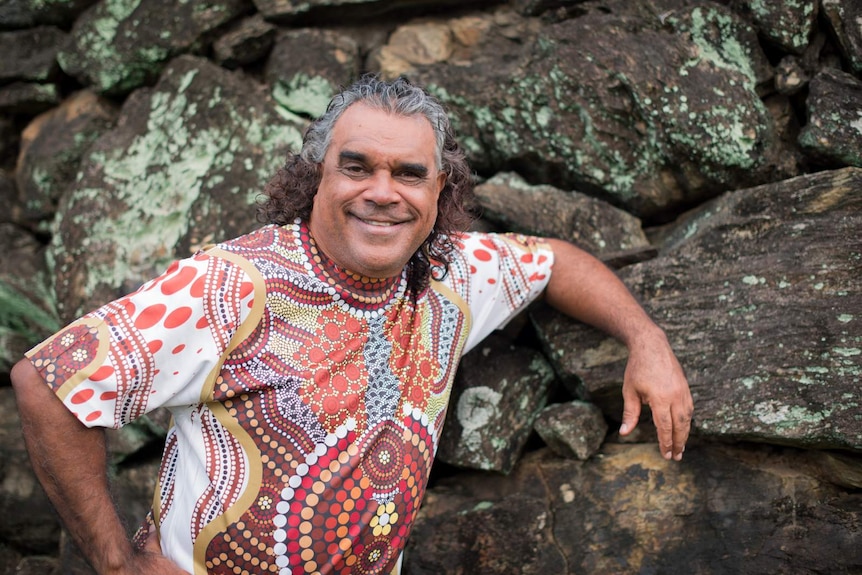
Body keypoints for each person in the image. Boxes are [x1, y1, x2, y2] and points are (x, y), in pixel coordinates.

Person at [11, 75, 693, 575]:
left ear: (438, 193)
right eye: (357, 165)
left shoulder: (452, 274)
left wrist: (646, 339)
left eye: (408, 173)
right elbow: (48, 382)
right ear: (317, 177)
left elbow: (554, 264)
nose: (382, 190)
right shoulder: (230, 286)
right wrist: (117, 564)